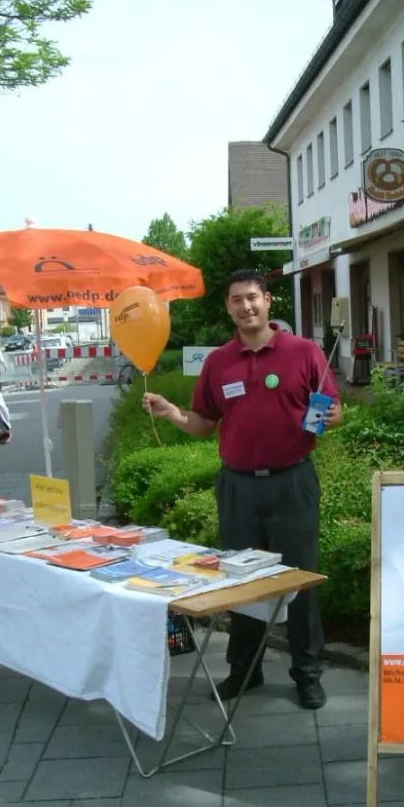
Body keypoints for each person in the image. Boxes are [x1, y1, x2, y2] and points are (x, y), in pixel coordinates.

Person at [142, 269, 342, 709]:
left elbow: (333, 409)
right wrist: (172, 412)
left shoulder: (304, 353)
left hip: (293, 482)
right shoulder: (219, 363)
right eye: (236, 300)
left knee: (301, 580)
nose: (245, 306)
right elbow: (201, 426)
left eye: (252, 297)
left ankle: (307, 673)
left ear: (268, 301)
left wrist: (332, 417)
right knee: (241, 581)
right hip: (238, 488)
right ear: (229, 308)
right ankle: (244, 671)